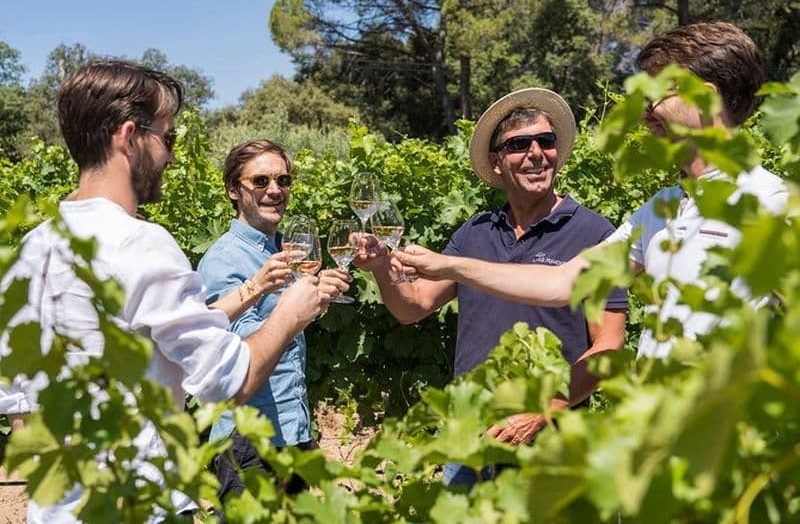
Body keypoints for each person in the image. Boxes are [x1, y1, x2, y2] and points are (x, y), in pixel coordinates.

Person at [0, 60, 350, 522]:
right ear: (129, 136)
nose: (171, 156)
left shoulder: (30, 250)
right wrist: (291, 312)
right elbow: (229, 381)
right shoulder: (143, 243)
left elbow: (19, 405)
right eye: (168, 138)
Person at [395, 22, 787, 359]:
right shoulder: (663, 209)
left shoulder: (773, 204)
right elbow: (562, 283)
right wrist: (450, 266)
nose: (646, 111)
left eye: (659, 94)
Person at [355, 88, 627, 488]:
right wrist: (381, 268)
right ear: (497, 162)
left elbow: (608, 348)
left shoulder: (594, 234)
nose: (537, 153)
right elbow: (413, 307)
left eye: (546, 141)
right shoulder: (475, 232)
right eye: (519, 144)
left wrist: (542, 411)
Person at [197, 139, 340, 500]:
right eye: (260, 181)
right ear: (233, 189)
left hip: (292, 433)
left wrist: (316, 298)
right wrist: (290, 310)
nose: (275, 190)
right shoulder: (223, 261)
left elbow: (287, 342)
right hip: (249, 444)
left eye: (283, 180)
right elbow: (241, 358)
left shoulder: (284, 253)